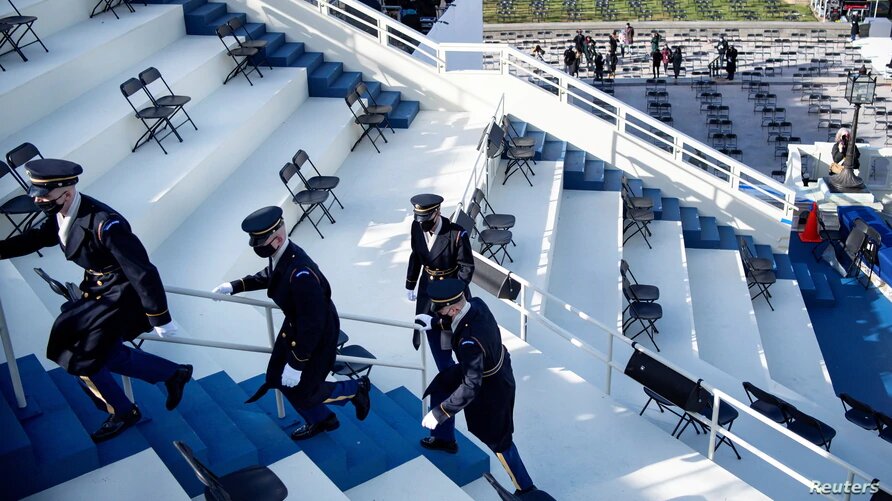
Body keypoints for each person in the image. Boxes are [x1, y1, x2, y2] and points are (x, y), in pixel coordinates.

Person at [0, 159, 192, 443]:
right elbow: (36, 239)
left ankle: (123, 412)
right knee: (102, 353)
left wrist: (160, 316)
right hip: (98, 290)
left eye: (44, 194)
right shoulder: (63, 211)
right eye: (36, 192)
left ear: (66, 192)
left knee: (81, 358)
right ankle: (173, 373)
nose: (38, 199)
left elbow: (142, 270)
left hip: (121, 297)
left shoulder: (105, 224)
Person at [218, 206, 371, 440]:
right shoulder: (283, 256)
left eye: (260, 242)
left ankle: (354, 390)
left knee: (304, 391)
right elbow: (271, 275)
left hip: (315, 336)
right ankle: (322, 420)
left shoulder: (301, 273)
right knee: (280, 378)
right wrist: (237, 285)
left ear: (277, 239)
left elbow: (313, 324)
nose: (256, 247)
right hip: (296, 327)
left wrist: (297, 363)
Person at [419, 279, 539, 497]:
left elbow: (471, 385)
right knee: (440, 386)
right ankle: (444, 439)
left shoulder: (469, 343)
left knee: (499, 440)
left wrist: (441, 412)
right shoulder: (476, 304)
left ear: (454, 308)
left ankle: (526, 489)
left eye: (442, 311)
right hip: (490, 366)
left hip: (490, 386)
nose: (440, 314)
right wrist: (435, 323)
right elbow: (459, 321)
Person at [405, 194, 474, 452]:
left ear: (438, 212)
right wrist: (411, 282)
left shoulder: (457, 235)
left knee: (447, 370)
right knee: (443, 360)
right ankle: (446, 430)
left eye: (426, 217)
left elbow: (466, 269)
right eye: (418, 217)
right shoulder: (416, 227)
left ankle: (446, 434)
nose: (422, 222)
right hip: (427, 296)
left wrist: (452, 297)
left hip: (451, 301)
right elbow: (416, 255)